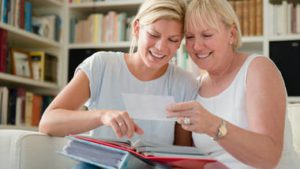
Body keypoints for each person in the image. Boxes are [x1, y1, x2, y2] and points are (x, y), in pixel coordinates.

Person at [39, 0, 197, 148]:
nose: (161, 47)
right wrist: (102, 116)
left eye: (173, 39)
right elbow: (48, 123)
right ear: (136, 28)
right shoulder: (101, 65)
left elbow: (182, 153)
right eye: (154, 35)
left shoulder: (184, 83)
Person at [166, 0, 300, 168]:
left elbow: (269, 158)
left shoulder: (257, 69)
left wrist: (213, 125)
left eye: (207, 35)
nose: (197, 46)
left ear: (232, 35)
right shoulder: (195, 86)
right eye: (190, 37)